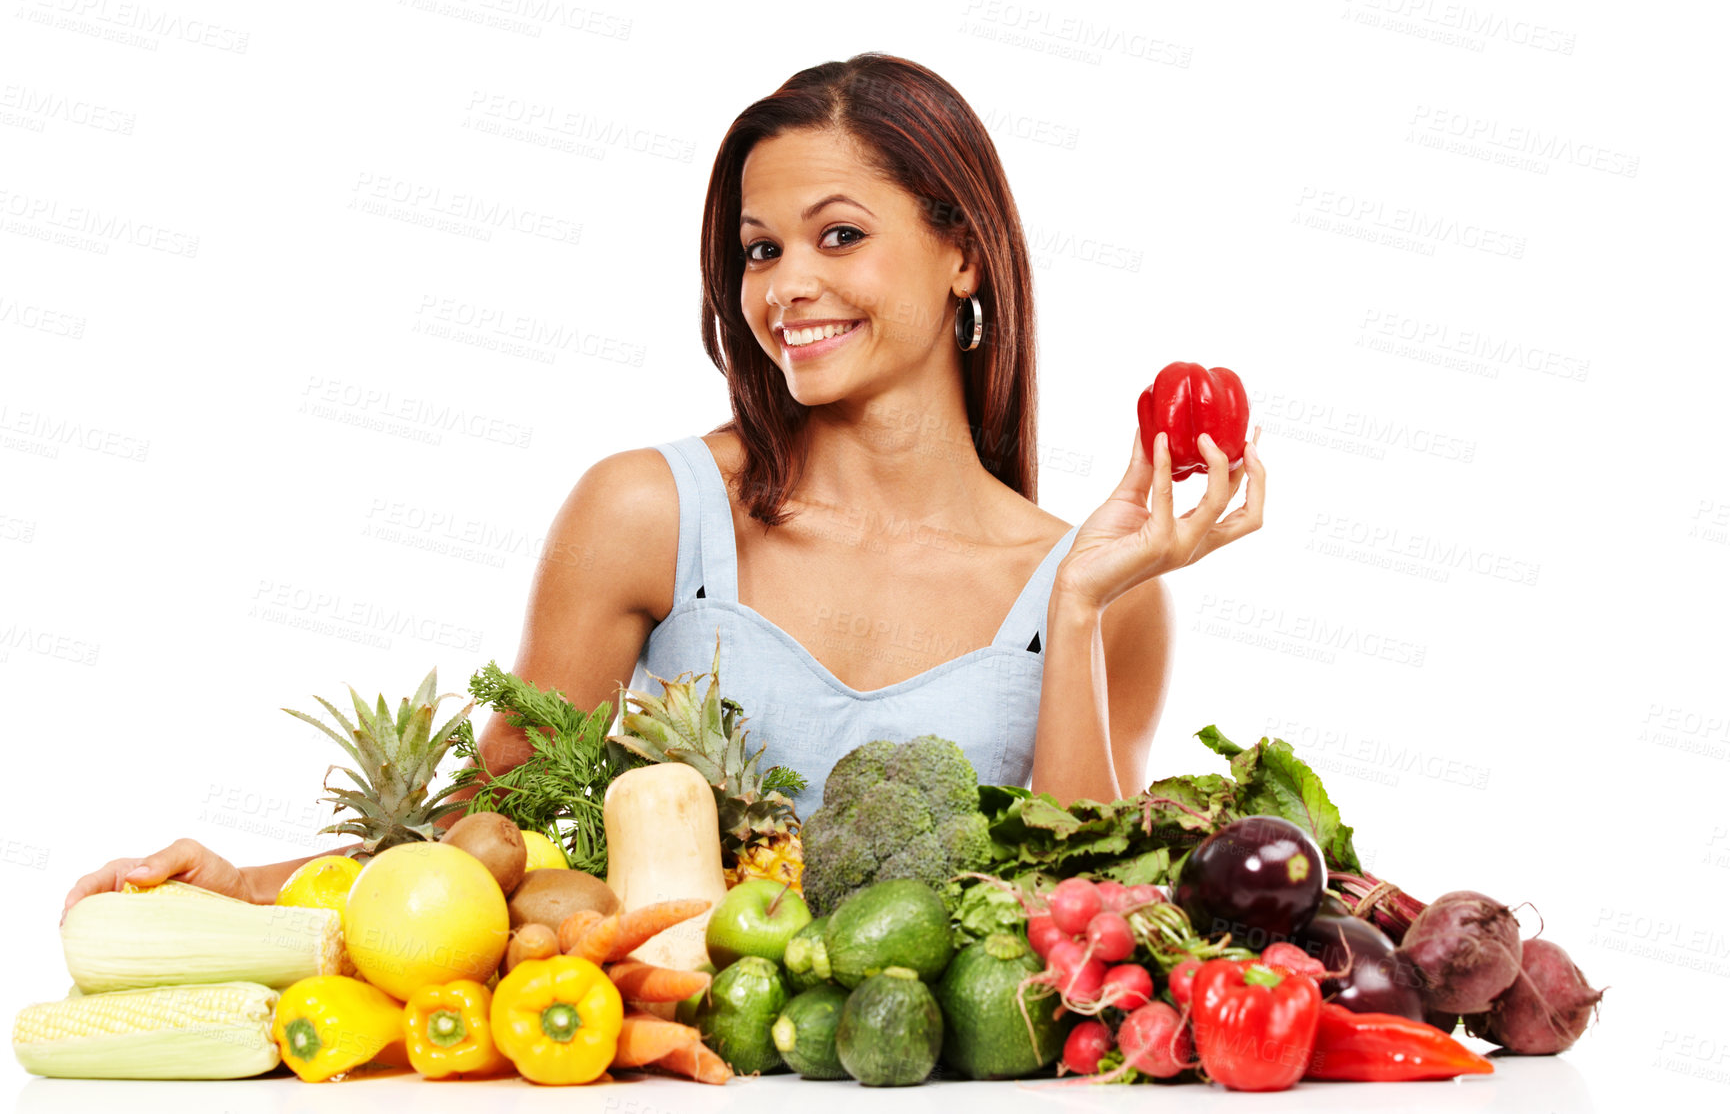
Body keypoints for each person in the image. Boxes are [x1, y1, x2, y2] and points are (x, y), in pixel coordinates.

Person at [63, 52, 1264, 916]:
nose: (786, 284)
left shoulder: (1102, 590)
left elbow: (1086, 922)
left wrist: (1080, 606)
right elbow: (488, 834)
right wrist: (246, 888)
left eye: (837, 235)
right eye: (758, 248)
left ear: (961, 251)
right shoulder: (653, 514)